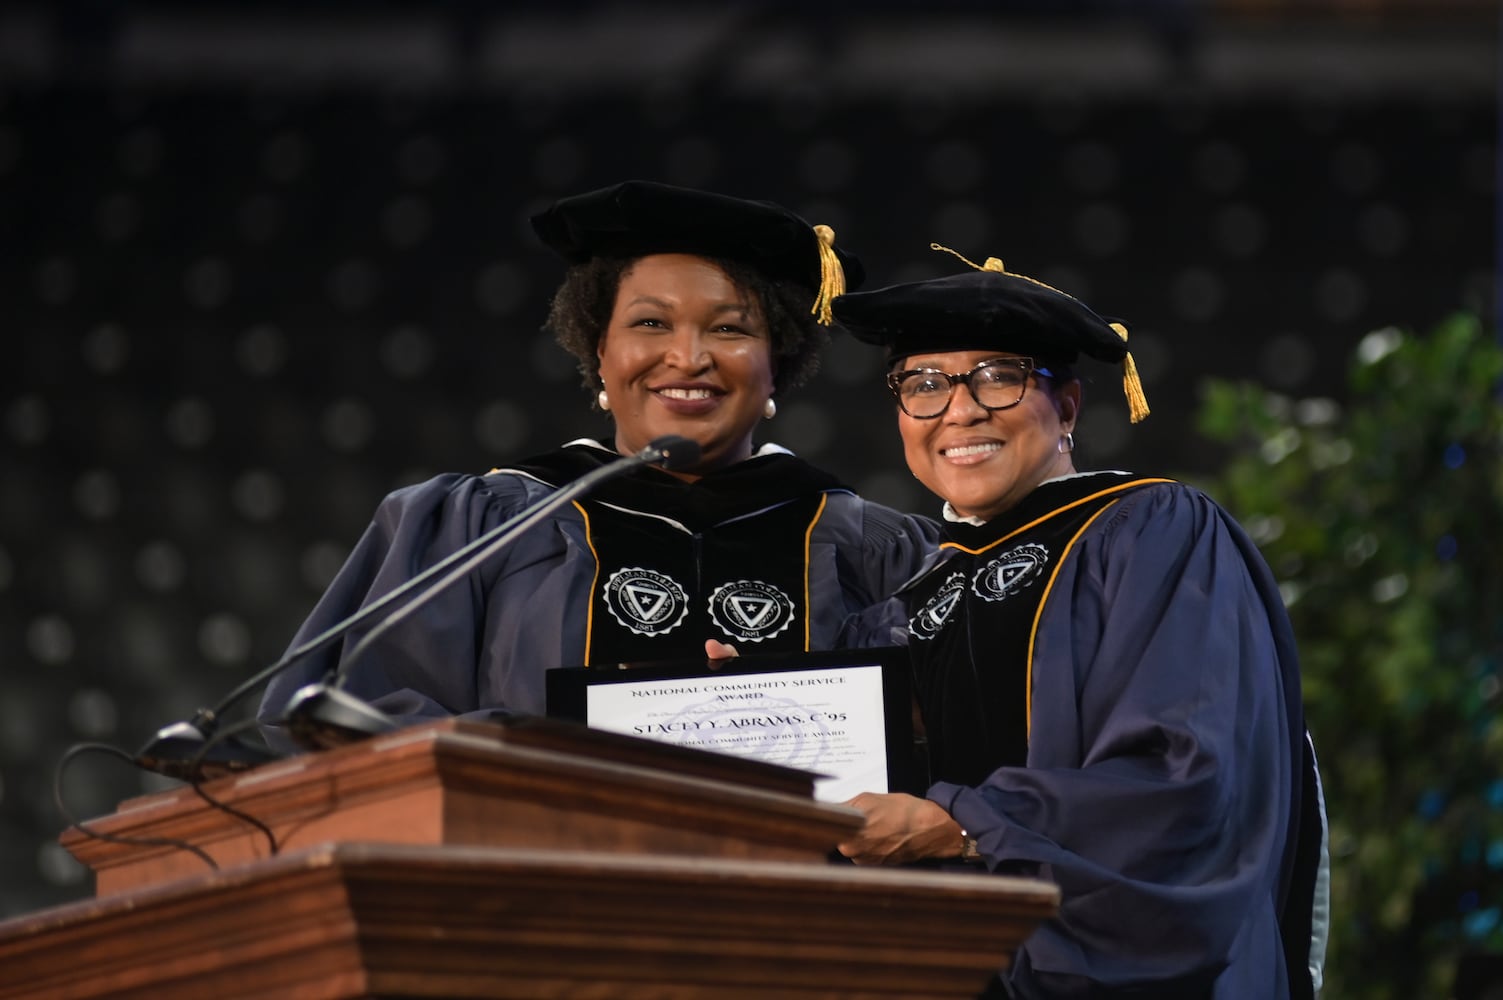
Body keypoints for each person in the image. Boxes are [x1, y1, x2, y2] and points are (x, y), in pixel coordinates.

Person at [256, 180, 940, 749]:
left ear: (775, 368)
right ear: (600, 357)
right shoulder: (483, 529)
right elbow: (356, 728)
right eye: (650, 324)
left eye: (729, 328)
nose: (688, 356)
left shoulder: (873, 549)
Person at [829, 250, 1329, 999]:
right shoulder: (908, 596)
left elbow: (1182, 779)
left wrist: (964, 826)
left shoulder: (1152, 531)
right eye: (924, 385)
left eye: (997, 377)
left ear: (1064, 407)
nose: (959, 410)